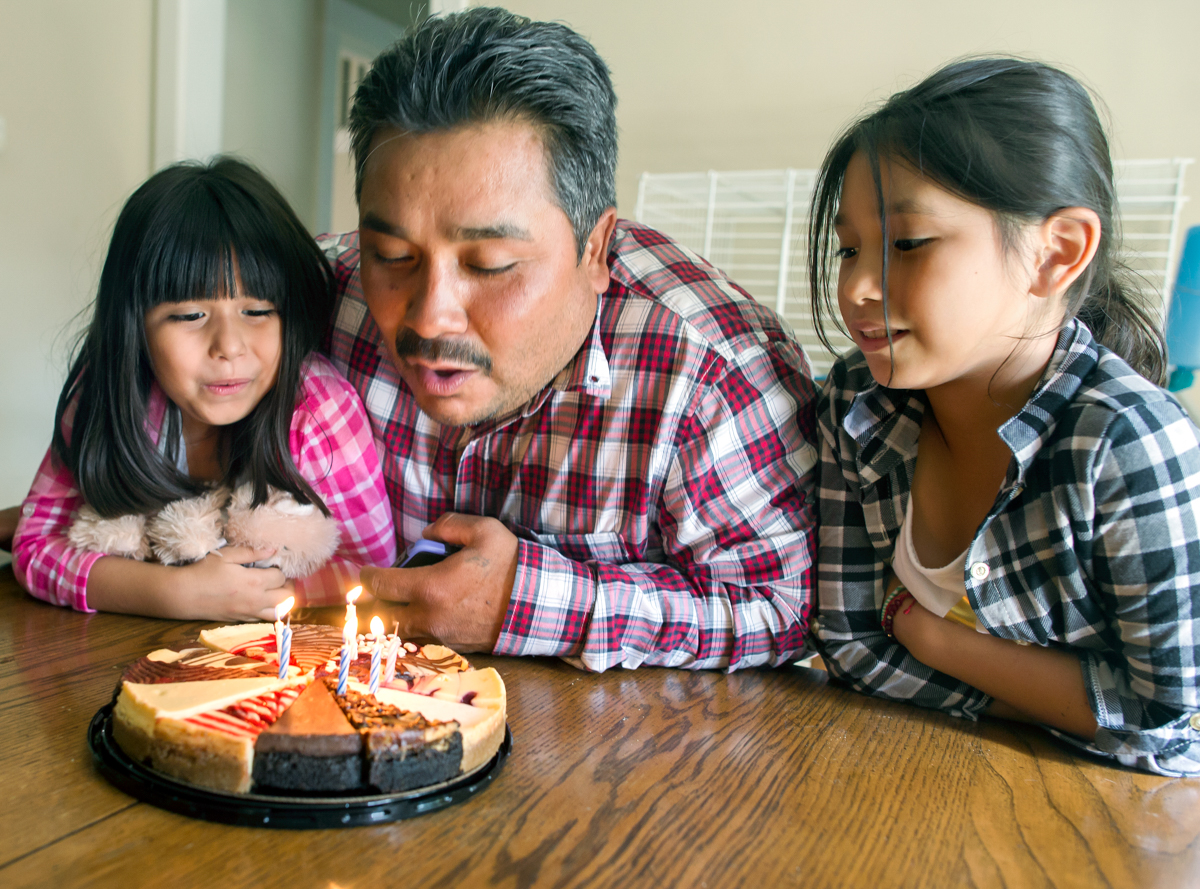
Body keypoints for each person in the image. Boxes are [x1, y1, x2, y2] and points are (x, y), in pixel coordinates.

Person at [323, 8, 819, 671]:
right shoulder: (310, 296)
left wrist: (534, 601)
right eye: (390, 254)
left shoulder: (712, 373)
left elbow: (784, 605)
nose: (429, 317)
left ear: (596, 247)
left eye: (490, 265)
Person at [811, 58, 1200, 775]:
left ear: (1056, 254)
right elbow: (849, 640)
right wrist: (1063, 701)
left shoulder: (1132, 443)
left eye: (907, 244)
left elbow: (1168, 721)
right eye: (849, 247)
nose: (859, 285)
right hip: (914, 775)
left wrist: (931, 639)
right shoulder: (855, 404)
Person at [12, 158, 396, 620]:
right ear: (136, 326)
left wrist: (248, 591)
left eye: (257, 311)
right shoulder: (109, 392)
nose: (229, 348)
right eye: (191, 316)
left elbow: (377, 573)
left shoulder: (319, 416)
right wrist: (175, 593)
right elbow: (34, 547)